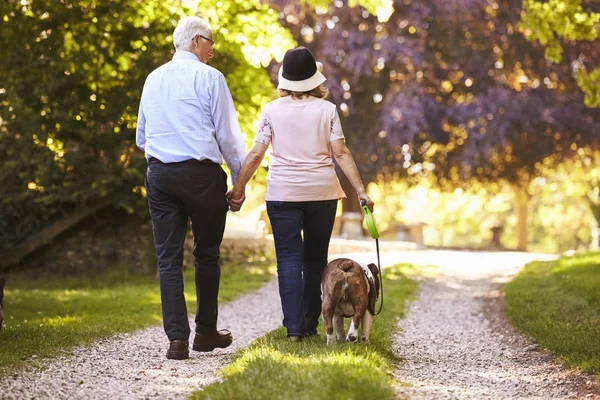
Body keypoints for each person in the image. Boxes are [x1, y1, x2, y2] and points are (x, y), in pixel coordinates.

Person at [227, 46, 374, 341]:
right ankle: (309, 325)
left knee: (288, 261)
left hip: (283, 194)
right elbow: (341, 152)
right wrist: (360, 190)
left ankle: (294, 329)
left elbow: (257, 153)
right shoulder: (327, 110)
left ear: (286, 80)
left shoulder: (271, 110)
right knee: (315, 261)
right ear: (313, 79)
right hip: (322, 193)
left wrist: (239, 187)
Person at [136, 16, 246, 359]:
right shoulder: (210, 78)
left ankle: (177, 341)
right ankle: (205, 332)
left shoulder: (153, 79)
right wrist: (239, 182)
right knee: (206, 255)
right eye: (211, 42)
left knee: (168, 260)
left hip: (161, 175)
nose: (213, 50)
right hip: (201, 175)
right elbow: (228, 136)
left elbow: (142, 137)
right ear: (197, 41)